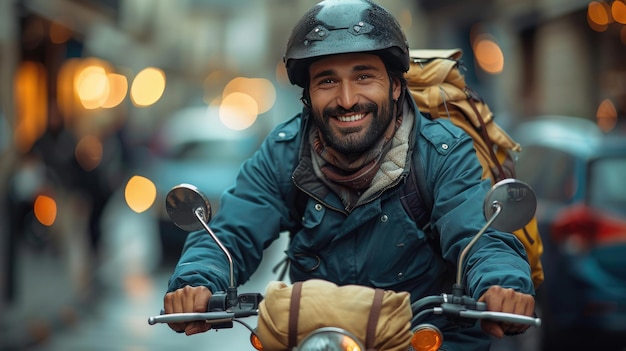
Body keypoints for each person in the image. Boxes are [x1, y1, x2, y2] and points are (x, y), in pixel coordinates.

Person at [163, 0, 536, 349]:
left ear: (394, 86)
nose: (345, 99)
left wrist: (500, 284)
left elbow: (478, 234)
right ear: (308, 95)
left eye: (363, 77)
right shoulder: (284, 151)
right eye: (327, 81)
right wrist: (197, 279)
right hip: (318, 339)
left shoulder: (441, 152)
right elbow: (231, 230)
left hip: (423, 338)